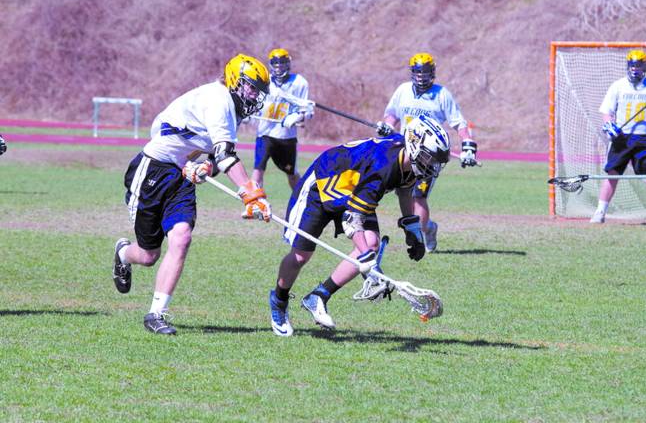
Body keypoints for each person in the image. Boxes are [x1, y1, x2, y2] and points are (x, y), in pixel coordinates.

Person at [112, 54, 273, 335]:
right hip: (153, 170)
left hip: (181, 179)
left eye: (258, 91)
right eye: (251, 87)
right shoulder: (218, 99)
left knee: (182, 237)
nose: (255, 95)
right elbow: (225, 155)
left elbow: (214, 161)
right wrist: (251, 192)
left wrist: (202, 167)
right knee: (149, 255)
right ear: (235, 81)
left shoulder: (231, 111)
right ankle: (124, 254)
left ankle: (156, 314)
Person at [268, 115, 451, 337]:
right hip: (324, 183)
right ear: (414, 145)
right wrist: (366, 262)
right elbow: (352, 220)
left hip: (354, 188)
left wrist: (412, 231)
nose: (432, 165)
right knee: (300, 257)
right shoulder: (382, 168)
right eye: (429, 158)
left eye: (435, 161)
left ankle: (318, 296)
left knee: (371, 244)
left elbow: (404, 190)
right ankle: (279, 300)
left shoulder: (409, 160)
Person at [376, 52, 478, 252]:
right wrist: (387, 126)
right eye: (418, 72)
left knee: (418, 195)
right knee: (400, 191)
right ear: (412, 73)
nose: (422, 76)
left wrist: (468, 147)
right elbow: (391, 115)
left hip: (428, 157)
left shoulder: (441, 94)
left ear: (433, 72)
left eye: (425, 72)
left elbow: (459, 123)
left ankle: (423, 232)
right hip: (404, 151)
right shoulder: (403, 90)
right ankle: (426, 227)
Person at [591, 49, 646, 223]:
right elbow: (607, 111)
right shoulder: (618, 86)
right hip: (622, 138)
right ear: (628, 66)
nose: (635, 68)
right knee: (613, 174)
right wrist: (610, 125)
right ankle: (600, 212)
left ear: (644, 66)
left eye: (639, 65)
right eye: (632, 65)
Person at [251, 48, 311, 190]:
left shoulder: (299, 83)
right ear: (271, 65)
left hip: (286, 137)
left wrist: (297, 117)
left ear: (288, 64)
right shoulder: (264, 82)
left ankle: (301, 201)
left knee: (292, 174)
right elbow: (254, 102)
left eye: (282, 64)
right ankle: (254, 204)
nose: (279, 67)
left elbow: (306, 110)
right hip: (265, 134)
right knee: (257, 170)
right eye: (276, 64)